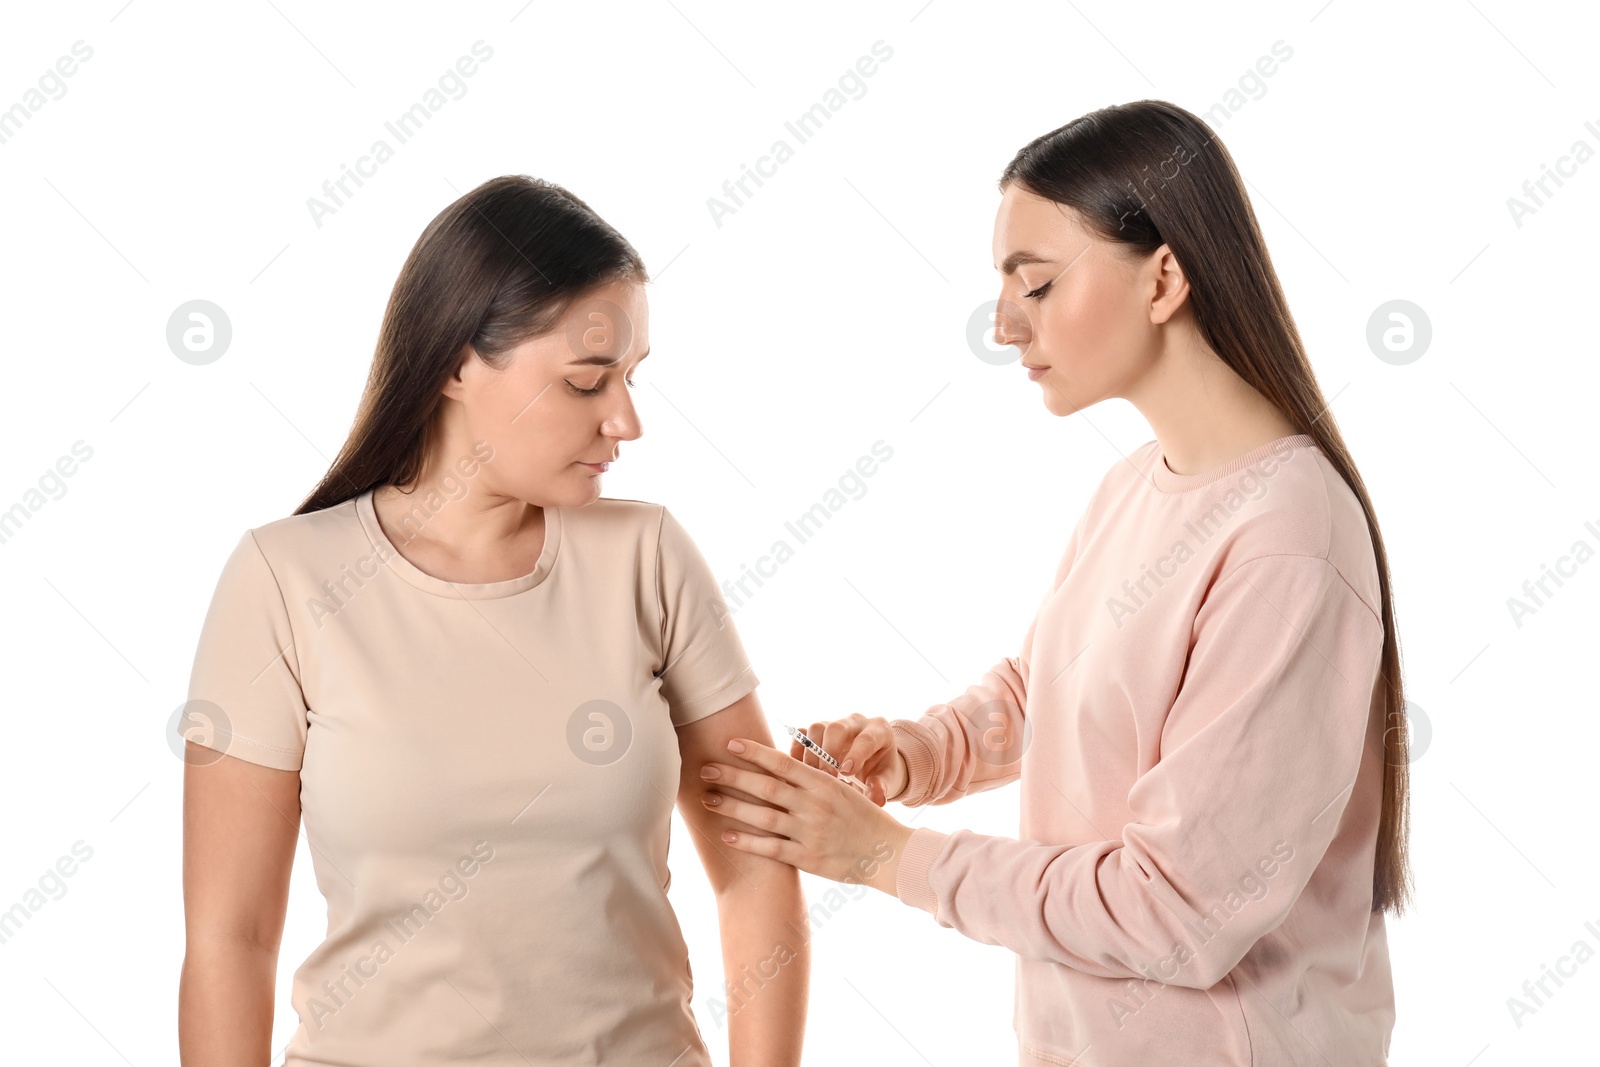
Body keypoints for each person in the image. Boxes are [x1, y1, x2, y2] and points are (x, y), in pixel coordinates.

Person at [705, 99, 1412, 1066]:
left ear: (1164, 276)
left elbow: (1177, 914)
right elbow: (1050, 685)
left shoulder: (1287, 537)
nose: (1001, 324)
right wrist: (920, 752)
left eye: (1033, 284)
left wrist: (885, 856)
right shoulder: (1136, 486)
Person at [177, 176, 807, 1066]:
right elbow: (228, 940)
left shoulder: (647, 557)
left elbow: (755, 865)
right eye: (588, 380)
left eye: (629, 378)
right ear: (456, 363)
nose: (625, 419)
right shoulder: (284, 579)